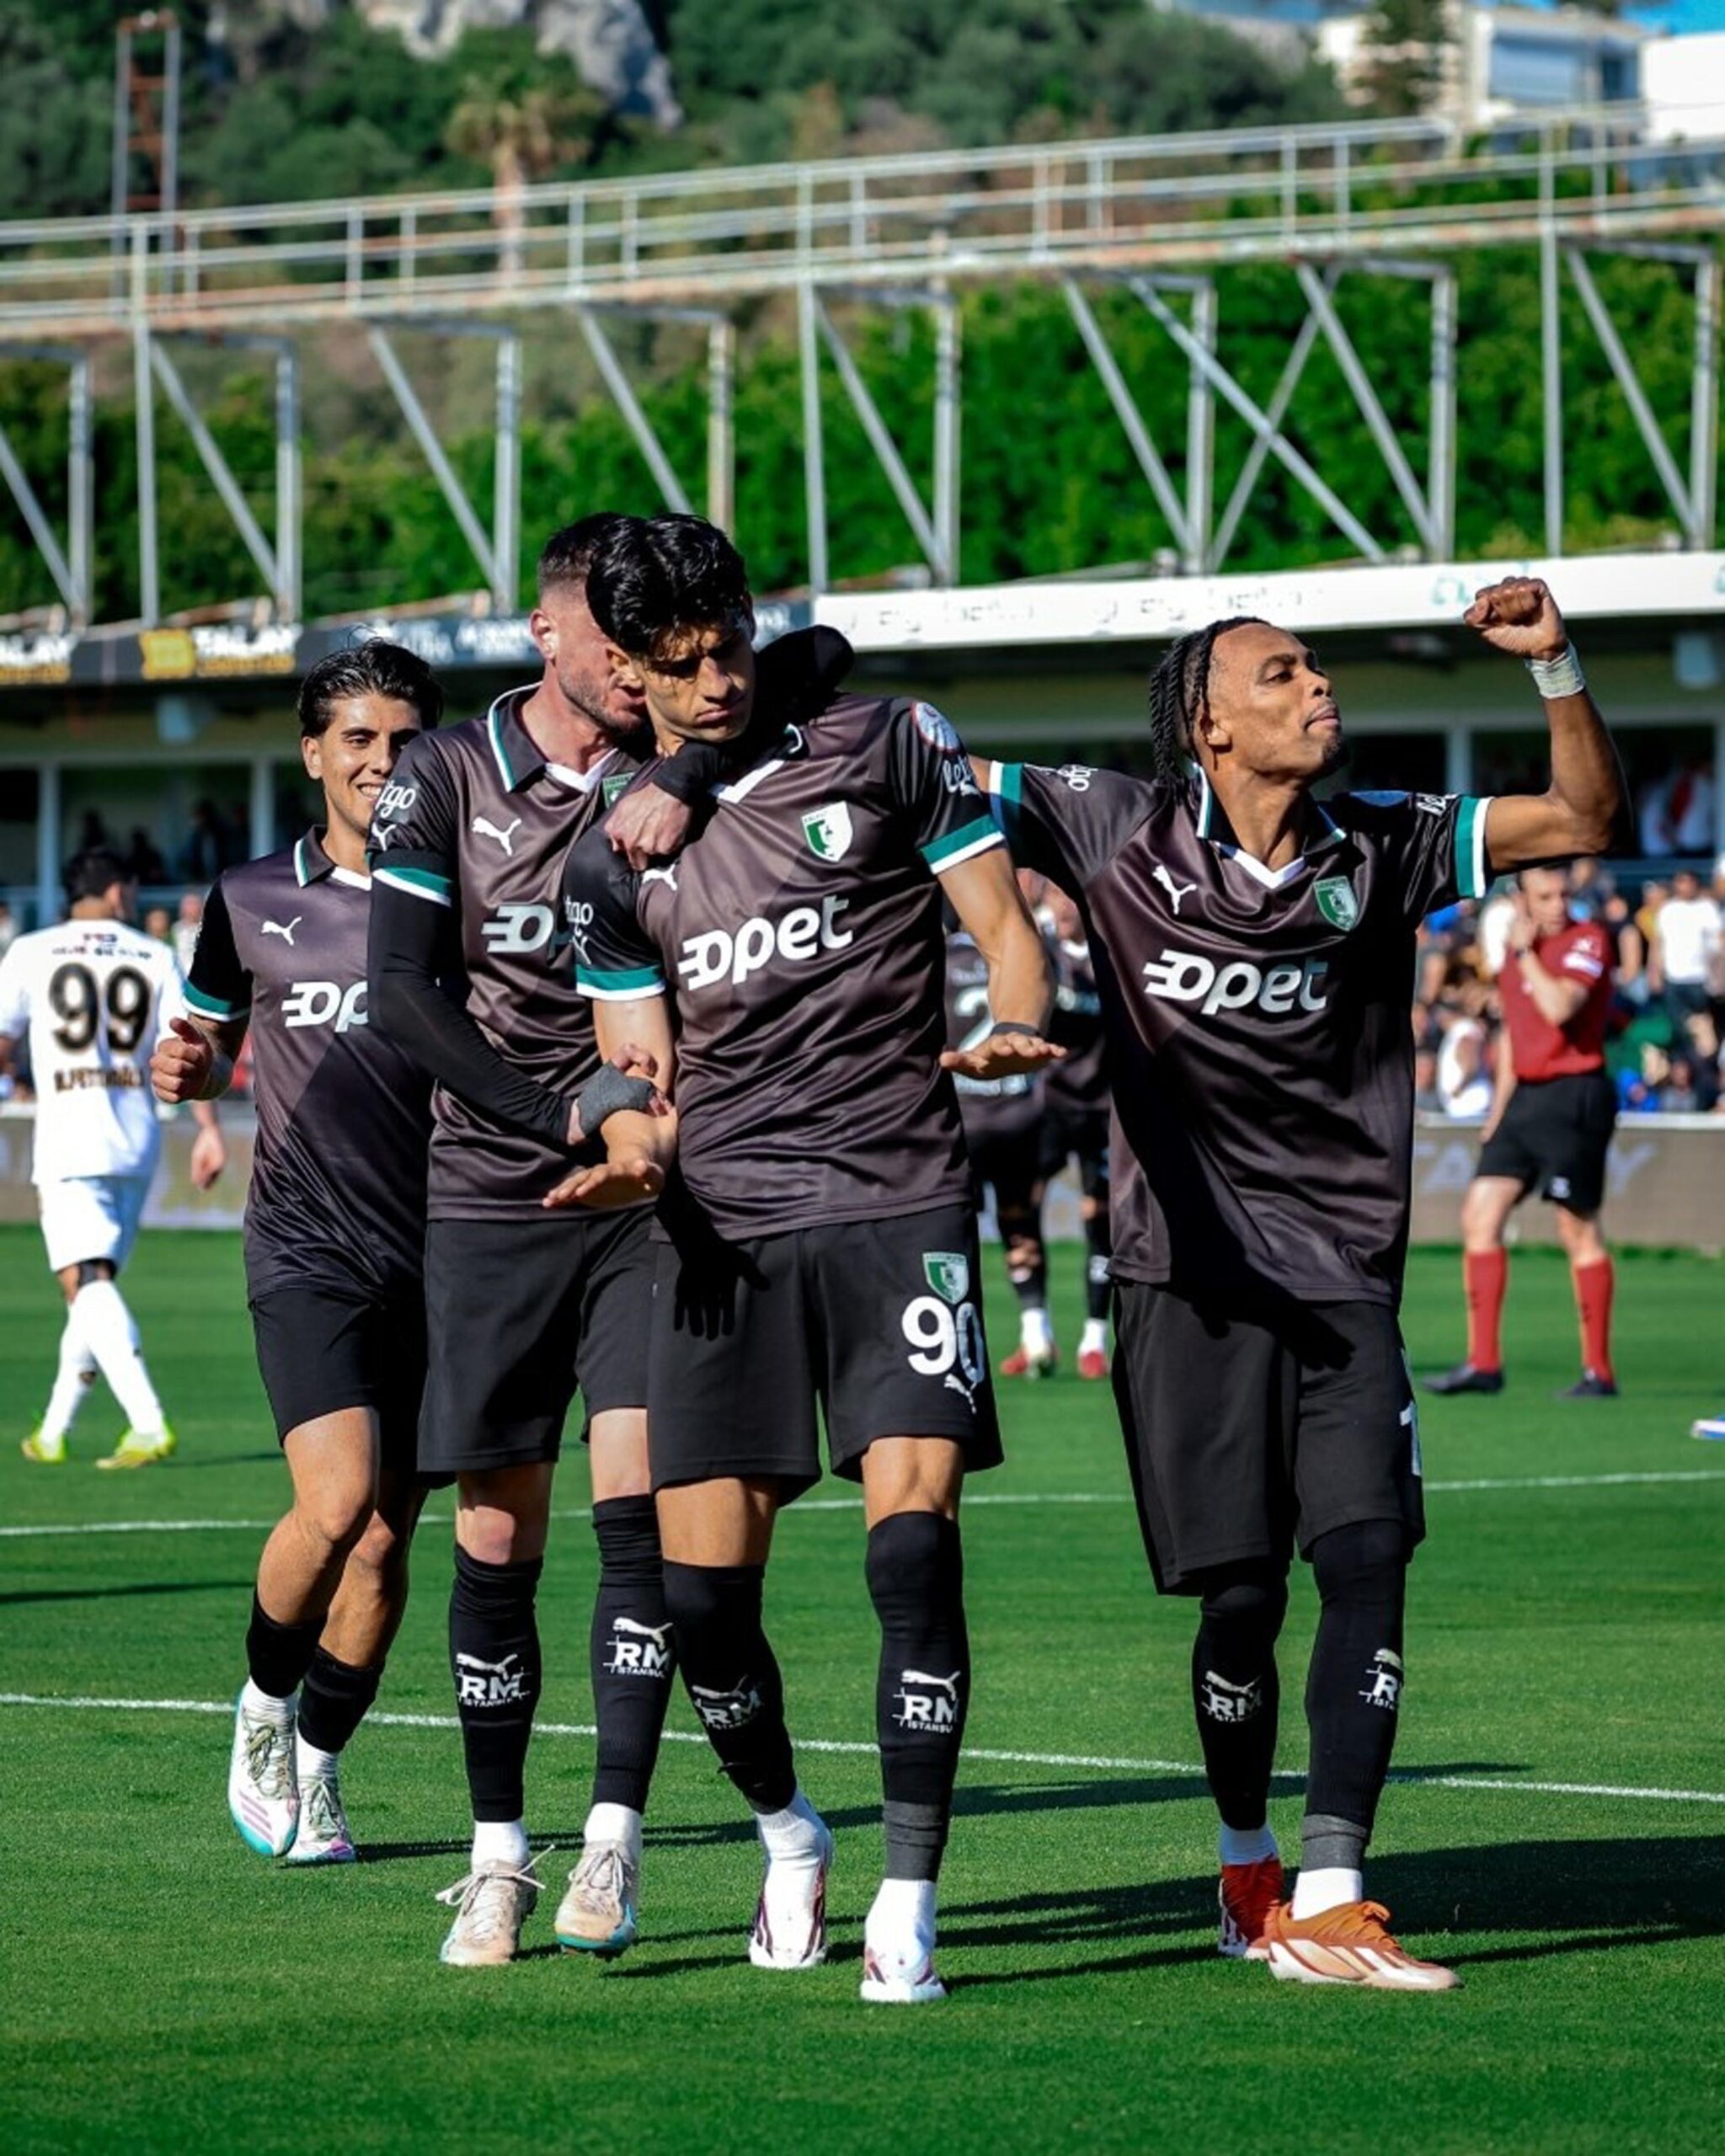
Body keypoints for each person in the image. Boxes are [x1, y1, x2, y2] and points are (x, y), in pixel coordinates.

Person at [980, 576, 1621, 1989]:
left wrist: (1554, 666)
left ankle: (1332, 1894)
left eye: (1315, 667)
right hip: (1180, 1281)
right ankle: (1245, 1860)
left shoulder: (1384, 843)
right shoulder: (1107, 824)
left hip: (1339, 1280)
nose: (1314, 686)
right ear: (1205, 723)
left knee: (1368, 1556)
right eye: (1279, 674)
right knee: (1237, 1606)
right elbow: (907, 768)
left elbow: (1581, 821)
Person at [560, 512, 1056, 2006]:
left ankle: (909, 1901)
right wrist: (622, 1147)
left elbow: (1004, 927)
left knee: (910, 1543)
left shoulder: (890, 741)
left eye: (730, 648)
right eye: (678, 665)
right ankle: (788, 1832)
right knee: (700, 1604)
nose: (717, 682)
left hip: (898, 1195)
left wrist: (1019, 1015)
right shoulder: (610, 863)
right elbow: (632, 1070)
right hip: (722, 1232)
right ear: (625, 675)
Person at [365, 513, 846, 1967]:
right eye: (620, 650)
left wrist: (693, 768)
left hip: (659, 1202)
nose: (649, 679)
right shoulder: (441, 776)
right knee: (499, 1529)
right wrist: (557, 1109)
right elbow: (402, 995)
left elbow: (820, 654)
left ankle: (613, 1842)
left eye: (664, 658)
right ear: (550, 635)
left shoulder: (681, 750)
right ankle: (495, 1855)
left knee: (634, 1498)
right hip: (494, 1192)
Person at [151, 641, 445, 1866]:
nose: (383, 762)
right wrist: (184, 1074)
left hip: (448, 1252)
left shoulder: (465, 890)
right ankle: (265, 1708)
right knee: (332, 1506)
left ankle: (319, 1769)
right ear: (314, 751)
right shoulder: (246, 896)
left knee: (386, 1544)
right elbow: (204, 1045)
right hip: (306, 1243)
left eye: (405, 740)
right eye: (360, 739)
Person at [1, 849, 226, 1468]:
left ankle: (149, 1423)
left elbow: (1, 1039)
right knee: (92, 1287)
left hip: (70, 1135)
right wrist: (206, 1128)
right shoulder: (151, 954)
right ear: (113, 890)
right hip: (136, 1138)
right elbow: (187, 1047)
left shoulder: (32, 951)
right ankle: (53, 1429)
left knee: (87, 1282)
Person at [1425, 867, 1620, 1401]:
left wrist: (1526, 954)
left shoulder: (1588, 940)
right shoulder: (1514, 955)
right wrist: (1500, 1109)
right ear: (1521, 899)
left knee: (1576, 1230)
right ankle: (1483, 1362)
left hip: (1574, 1093)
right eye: (1545, 896)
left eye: (1563, 894)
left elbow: (1559, 1009)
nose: (1558, 904)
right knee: (1479, 1218)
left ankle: (1598, 1371)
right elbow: (1514, 1031)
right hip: (1526, 1100)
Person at [943, 894, 1053, 1375]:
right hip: (1018, 1115)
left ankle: (961, 1339)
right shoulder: (1018, 952)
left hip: (963, 1117)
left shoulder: (938, 957)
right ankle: (1037, 1330)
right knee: (1020, 1221)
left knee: (952, 1229)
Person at [1039, 879, 1114, 1379]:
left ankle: (1093, 1339)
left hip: (1102, 1107)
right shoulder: (1036, 950)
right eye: (1055, 894)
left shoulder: (1112, 953)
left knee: (1100, 1217)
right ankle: (1035, 1332)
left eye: (1072, 895)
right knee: (1021, 1207)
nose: (1064, 905)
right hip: (1047, 1104)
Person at [1650, 867, 1720, 1027]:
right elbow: (1658, 943)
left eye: (1689, 881)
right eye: (1681, 882)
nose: (1685, 886)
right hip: (1673, 977)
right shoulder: (1667, 910)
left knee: (1704, 1026)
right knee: (1678, 1024)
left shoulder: (1707, 908)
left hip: (1701, 977)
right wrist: (1654, 972)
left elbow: (1719, 941)